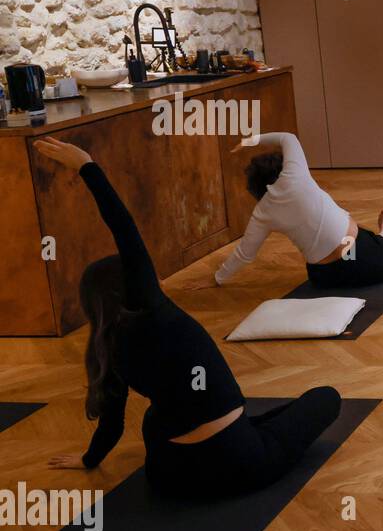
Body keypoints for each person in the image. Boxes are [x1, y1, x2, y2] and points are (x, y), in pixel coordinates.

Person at [34, 138, 341, 498]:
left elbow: (112, 423)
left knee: (160, 414)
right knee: (326, 398)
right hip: (242, 462)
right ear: (131, 287)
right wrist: (87, 165)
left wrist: (89, 460)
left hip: (170, 478)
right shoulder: (153, 310)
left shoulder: (107, 351)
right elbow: (124, 228)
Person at [215, 131, 383, 288]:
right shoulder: (295, 174)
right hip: (365, 262)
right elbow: (287, 138)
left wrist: (217, 278)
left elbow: (245, 253)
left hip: (323, 277)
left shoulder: (262, 212)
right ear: (283, 168)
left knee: (353, 234)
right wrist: (250, 140)